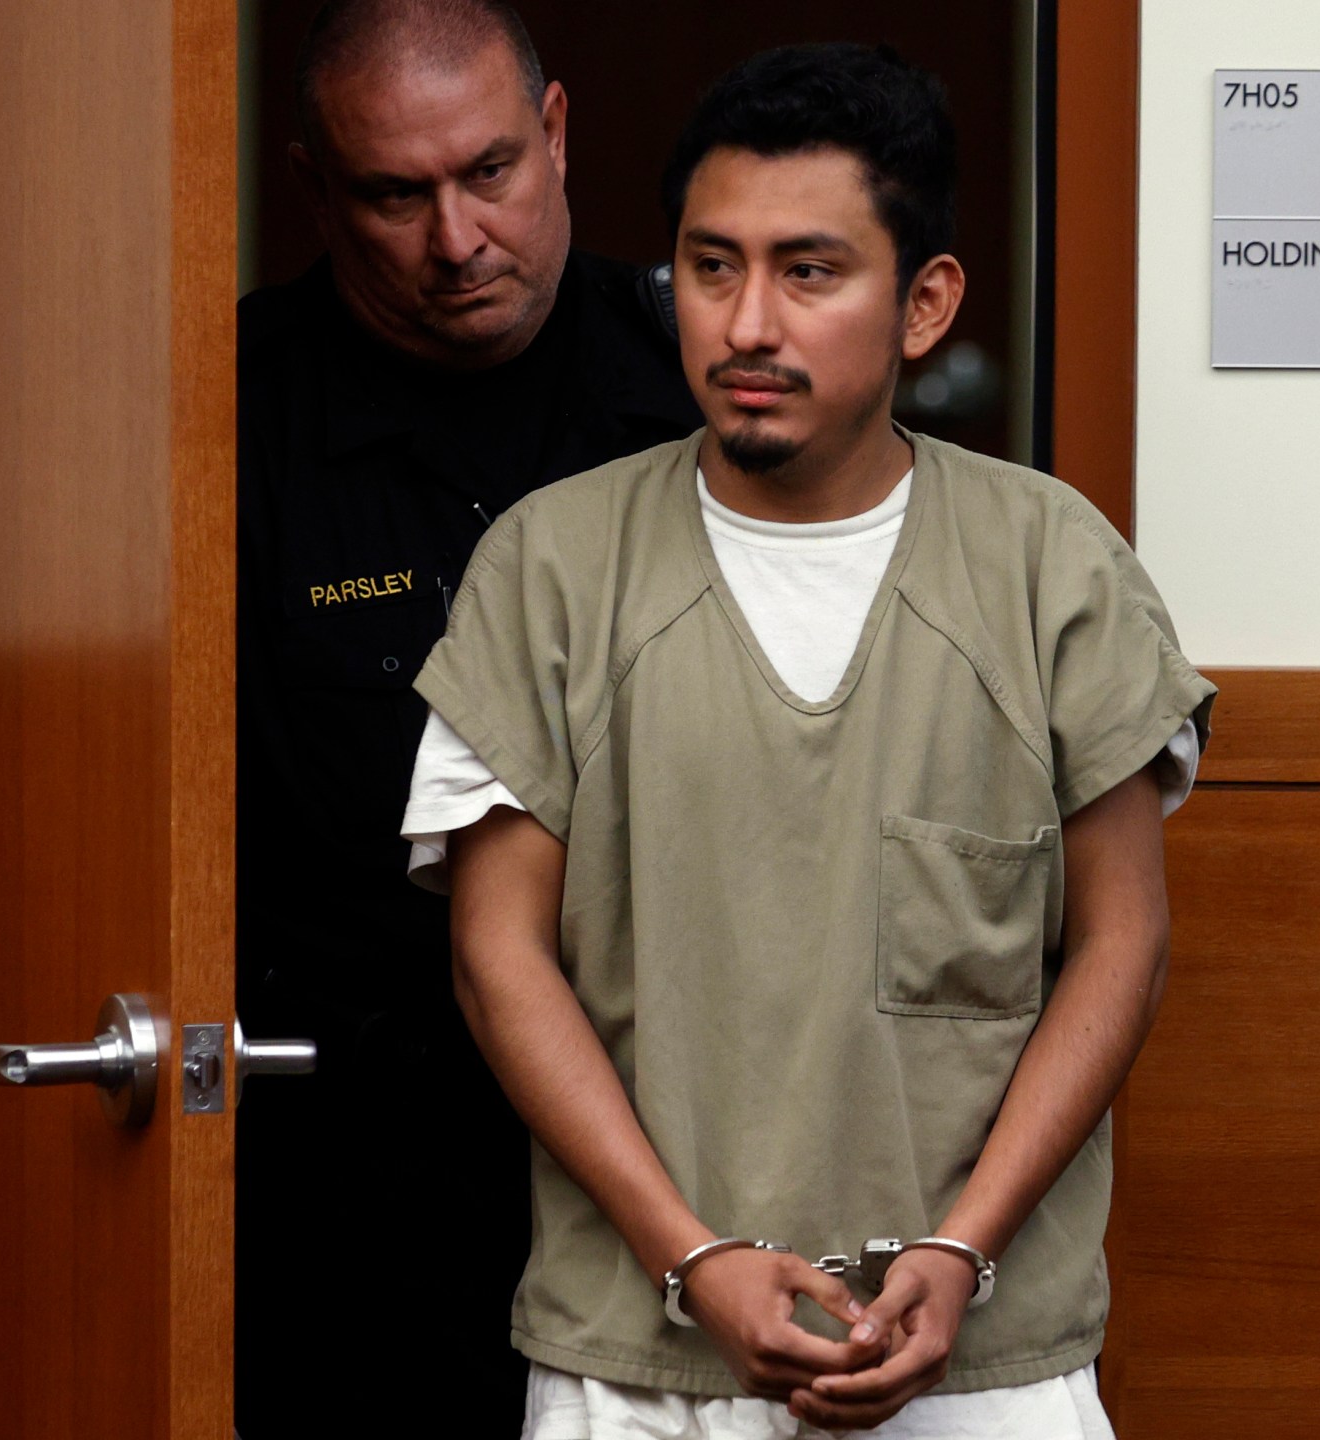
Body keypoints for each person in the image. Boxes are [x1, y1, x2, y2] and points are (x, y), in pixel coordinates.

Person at [401, 42, 1214, 1440]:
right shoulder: (556, 566)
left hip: (983, 1363)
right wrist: (692, 1258)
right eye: (712, 269)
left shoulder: (1049, 569)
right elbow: (497, 955)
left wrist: (961, 1252)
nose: (748, 324)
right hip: (637, 1363)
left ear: (925, 302)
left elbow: (1122, 942)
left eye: (811, 272)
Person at [233, 1, 700, 1433]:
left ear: (557, 136)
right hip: (358, 1178)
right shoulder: (223, 419)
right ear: (317, 191)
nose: (455, 240)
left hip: (683, 1142)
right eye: (395, 195)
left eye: (489, 172)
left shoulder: (707, 379)